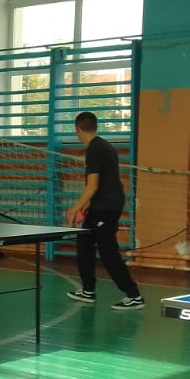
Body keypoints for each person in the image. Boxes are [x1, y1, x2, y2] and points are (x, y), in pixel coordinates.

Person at [64, 111, 144, 311]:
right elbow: (103, 182)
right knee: (84, 243)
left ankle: (133, 295)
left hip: (107, 207)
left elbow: (93, 185)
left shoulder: (95, 149)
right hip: (102, 204)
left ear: (77, 129)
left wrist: (75, 208)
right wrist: (86, 206)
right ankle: (88, 290)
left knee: (108, 250)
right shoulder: (104, 145)